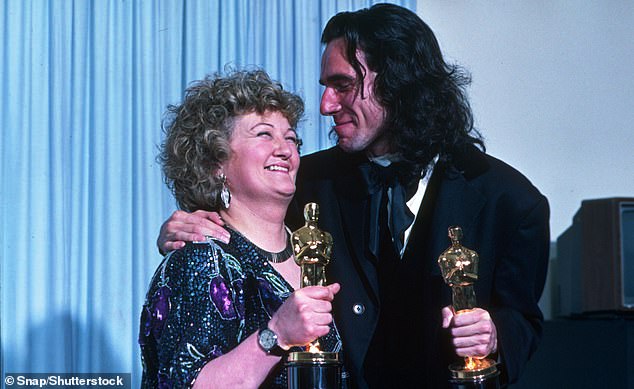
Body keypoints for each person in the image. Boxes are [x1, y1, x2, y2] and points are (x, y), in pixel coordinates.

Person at [156, 4, 550, 388]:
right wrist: (187, 222)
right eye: (326, 88)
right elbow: (239, 230)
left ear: (399, 81)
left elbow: (523, 321)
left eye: (343, 85)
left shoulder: (511, 203)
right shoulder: (304, 181)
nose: (326, 105)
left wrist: (495, 336)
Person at [139, 69, 345, 388]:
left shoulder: (316, 250)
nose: (285, 149)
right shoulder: (200, 263)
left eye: (291, 138)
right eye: (264, 135)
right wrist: (276, 335)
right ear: (215, 163)